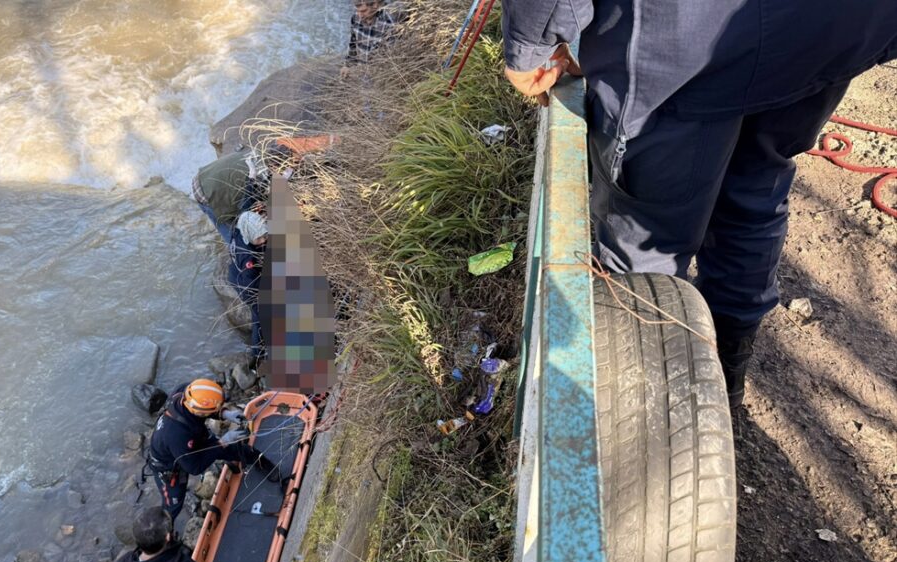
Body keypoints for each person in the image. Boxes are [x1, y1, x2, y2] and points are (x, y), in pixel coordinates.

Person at [500, 0, 897, 407]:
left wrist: (529, 43)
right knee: (756, 182)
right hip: (833, 25)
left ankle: (654, 406)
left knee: (647, 230)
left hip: (678, 43)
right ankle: (725, 377)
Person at [147, 379, 276, 520]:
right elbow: (195, 467)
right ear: (198, 412)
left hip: (194, 437)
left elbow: (207, 409)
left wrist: (224, 414)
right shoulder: (175, 434)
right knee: (172, 506)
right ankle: (163, 535)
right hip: (169, 464)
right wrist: (222, 442)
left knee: (238, 449)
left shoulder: (187, 391)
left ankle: (264, 465)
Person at [192, 150, 267, 241]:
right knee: (232, 234)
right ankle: (236, 251)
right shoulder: (261, 180)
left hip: (205, 175)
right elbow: (245, 209)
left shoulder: (260, 155)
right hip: (205, 192)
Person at [228, 210, 268, 365]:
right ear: (249, 236)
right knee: (259, 316)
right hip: (245, 285)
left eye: (265, 235)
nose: (264, 240)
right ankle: (258, 354)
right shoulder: (248, 258)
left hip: (242, 274)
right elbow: (252, 286)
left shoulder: (241, 231)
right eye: (260, 238)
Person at [340, 0, 401, 78]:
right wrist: (347, 65)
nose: (359, 15)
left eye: (363, 11)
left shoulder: (388, 23)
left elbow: (391, 56)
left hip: (381, 75)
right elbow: (353, 45)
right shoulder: (355, 18)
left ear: (375, 5)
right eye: (357, 10)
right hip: (361, 73)